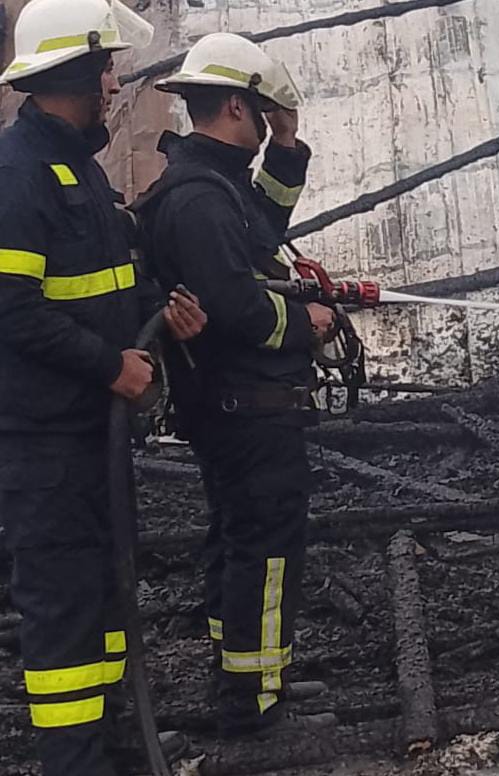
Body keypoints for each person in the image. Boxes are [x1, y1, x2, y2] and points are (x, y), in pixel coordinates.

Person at [0, 1, 207, 774]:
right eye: (109, 68)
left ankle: (117, 737)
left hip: (92, 432)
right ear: (78, 70)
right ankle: (75, 760)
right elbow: (10, 308)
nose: (116, 84)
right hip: (44, 440)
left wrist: (161, 317)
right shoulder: (17, 174)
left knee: (108, 588)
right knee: (63, 604)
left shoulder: (77, 169)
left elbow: (110, 283)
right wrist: (109, 364)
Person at [132, 32, 337, 740]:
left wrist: (286, 147)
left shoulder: (212, 183)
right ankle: (254, 702)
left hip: (235, 405)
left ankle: (244, 676)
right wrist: (307, 322)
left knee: (241, 539)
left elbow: (262, 229)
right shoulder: (198, 198)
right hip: (245, 406)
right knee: (266, 551)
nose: (266, 123)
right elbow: (237, 305)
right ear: (234, 107)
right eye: (262, 112)